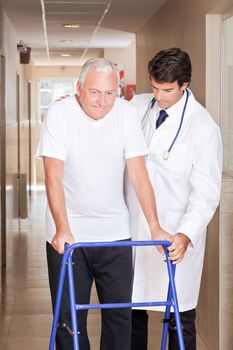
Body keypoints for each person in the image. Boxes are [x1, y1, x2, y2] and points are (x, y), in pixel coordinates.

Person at [36, 58, 170, 350]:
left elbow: (138, 172)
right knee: (69, 322)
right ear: (79, 88)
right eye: (95, 92)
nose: (102, 101)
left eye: (110, 93)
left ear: (118, 92)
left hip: (115, 233)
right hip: (70, 236)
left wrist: (155, 226)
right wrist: (62, 227)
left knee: (119, 317)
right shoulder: (59, 113)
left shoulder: (126, 114)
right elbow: (53, 176)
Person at [127, 48, 223, 350]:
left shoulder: (203, 127)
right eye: (154, 87)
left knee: (179, 314)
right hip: (136, 227)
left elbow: (207, 191)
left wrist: (185, 233)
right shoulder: (138, 105)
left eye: (167, 90)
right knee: (133, 311)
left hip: (174, 231)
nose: (158, 95)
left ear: (184, 85)